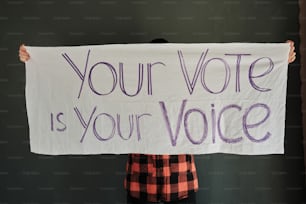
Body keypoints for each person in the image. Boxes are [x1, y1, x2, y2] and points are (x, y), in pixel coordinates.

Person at [19, 40, 297, 204]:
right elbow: (79, 86)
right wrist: (38, 61)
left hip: (182, 186)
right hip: (140, 187)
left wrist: (276, 59)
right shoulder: (126, 88)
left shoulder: (191, 91)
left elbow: (231, 85)